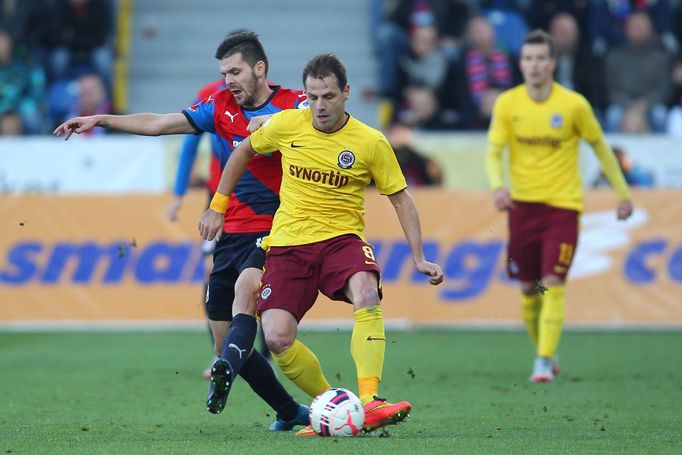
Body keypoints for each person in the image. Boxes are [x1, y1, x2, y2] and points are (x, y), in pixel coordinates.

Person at [53, 30, 309, 431]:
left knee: (247, 291)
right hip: (231, 230)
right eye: (224, 73)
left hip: (280, 226)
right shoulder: (220, 106)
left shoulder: (295, 103)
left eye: (236, 71)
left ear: (260, 69)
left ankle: (240, 371)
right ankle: (289, 411)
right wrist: (100, 119)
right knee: (224, 333)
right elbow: (160, 123)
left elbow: (327, 120)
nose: (228, 80)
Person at [199, 53, 444, 436]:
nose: (319, 106)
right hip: (288, 243)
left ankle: (370, 399)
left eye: (328, 96)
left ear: (346, 93)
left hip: (340, 240)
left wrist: (419, 256)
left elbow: (401, 198)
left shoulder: (370, 142)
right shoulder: (287, 124)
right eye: (312, 97)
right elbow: (242, 151)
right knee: (278, 336)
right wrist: (218, 205)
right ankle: (333, 408)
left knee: (366, 290)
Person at [485, 30, 633, 383]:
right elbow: (494, 150)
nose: (534, 65)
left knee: (551, 281)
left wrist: (622, 194)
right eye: (528, 59)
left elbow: (600, 147)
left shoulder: (574, 105)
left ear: (552, 63)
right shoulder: (508, 103)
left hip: (563, 208)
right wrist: (497, 186)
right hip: (522, 208)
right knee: (528, 288)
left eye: (541, 59)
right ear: (521, 63)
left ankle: (542, 359)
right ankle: (545, 351)